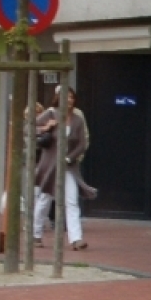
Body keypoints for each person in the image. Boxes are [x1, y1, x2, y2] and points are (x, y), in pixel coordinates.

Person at [34, 87, 95, 250]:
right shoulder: (50, 113)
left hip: (68, 166)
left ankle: (76, 239)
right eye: (65, 97)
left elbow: (82, 143)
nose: (68, 100)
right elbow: (29, 128)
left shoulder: (78, 119)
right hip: (50, 166)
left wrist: (69, 158)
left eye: (71, 97)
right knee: (45, 200)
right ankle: (35, 234)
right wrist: (45, 127)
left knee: (72, 200)